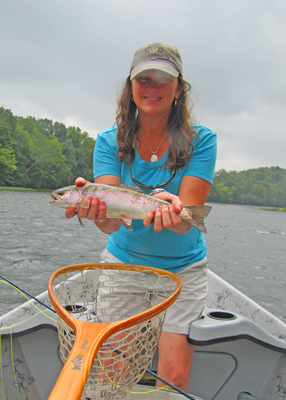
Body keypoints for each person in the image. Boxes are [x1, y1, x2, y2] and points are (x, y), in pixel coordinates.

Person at [66, 42, 217, 391]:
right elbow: (110, 222)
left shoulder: (202, 140)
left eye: (163, 79)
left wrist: (176, 211)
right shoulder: (108, 141)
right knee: (113, 374)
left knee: (174, 377)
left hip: (183, 269)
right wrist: (96, 214)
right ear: (130, 86)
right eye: (143, 79)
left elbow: (185, 222)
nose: (152, 87)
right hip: (125, 265)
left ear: (179, 88)